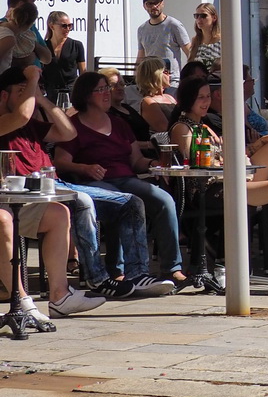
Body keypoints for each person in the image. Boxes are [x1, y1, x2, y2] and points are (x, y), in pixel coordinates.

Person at [54, 70, 189, 289]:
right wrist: (84, 168)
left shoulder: (119, 124)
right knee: (123, 201)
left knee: (164, 200)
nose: (107, 93)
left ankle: (172, 267)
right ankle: (118, 270)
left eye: (107, 88)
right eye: (100, 89)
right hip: (94, 183)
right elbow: (60, 162)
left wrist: (154, 164)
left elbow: (136, 160)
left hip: (126, 178)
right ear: (86, 95)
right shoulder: (74, 126)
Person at [0, 66, 104, 318]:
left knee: (59, 213)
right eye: (22, 91)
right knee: (2, 220)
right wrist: (33, 78)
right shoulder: (6, 121)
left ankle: (60, 296)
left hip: (24, 199)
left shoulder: (31, 125)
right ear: (4, 96)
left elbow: (69, 132)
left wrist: (43, 99)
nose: (29, 96)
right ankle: (21, 301)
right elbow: (21, 116)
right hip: (4, 204)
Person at [168, 78, 268, 207]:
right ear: (189, 99)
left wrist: (263, 141)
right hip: (211, 189)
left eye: (208, 96)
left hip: (232, 180)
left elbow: (231, 155)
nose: (206, 102)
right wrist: (224, 157)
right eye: (201, 97)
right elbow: (196, 165)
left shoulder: (203, 127)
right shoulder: (182, 128)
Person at [135, 0, 190, 87]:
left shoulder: (174, 25)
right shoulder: (142, 29)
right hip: (150, 82)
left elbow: (189, 52)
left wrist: (189, 77)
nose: (154, 6)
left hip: (171, 82)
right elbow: (140, 57)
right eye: (150, 4)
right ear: (144, 6)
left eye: (157, 2)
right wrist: (136, 78)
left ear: (162, 3)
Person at [39, 10, 84, 101]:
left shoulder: (76, 45)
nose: (67, 29)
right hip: (50, 94)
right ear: (52, 26)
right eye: (64, 26)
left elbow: (83, 72)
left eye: (70, 25)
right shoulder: (43, 47)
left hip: (71, 94)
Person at [0, 0, 47, 70]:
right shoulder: (8, 38)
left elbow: (47, 58)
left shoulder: (5, 30)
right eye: (32, 1)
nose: (34, 5)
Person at [135, 57, 177, 135]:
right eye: (166, 71)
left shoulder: (169, 97)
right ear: (156, 75)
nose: (169, 74)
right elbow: (165, 128)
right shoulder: (148, 102)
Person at [186, 2, 222, 75]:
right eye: (196, 16)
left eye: (203, 16)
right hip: (199, 80)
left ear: (214, 18)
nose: (199, 19)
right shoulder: (195, 41)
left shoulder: (222, 40)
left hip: (216, 80)